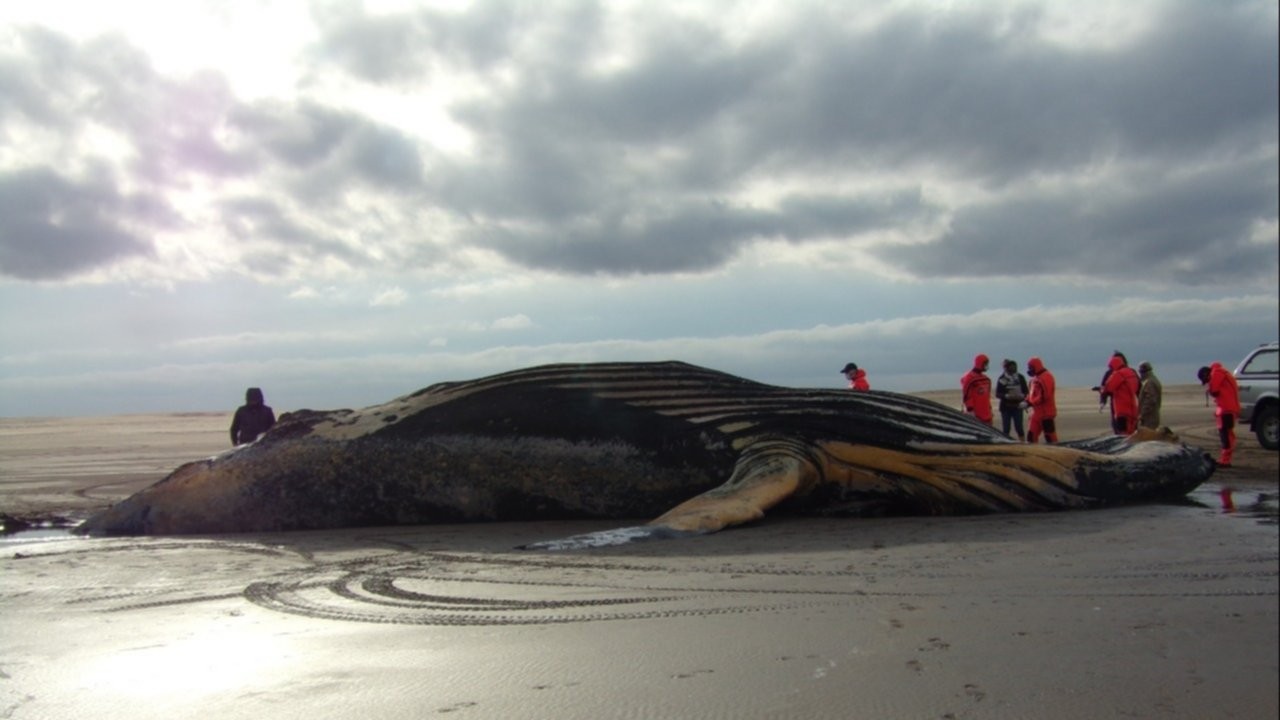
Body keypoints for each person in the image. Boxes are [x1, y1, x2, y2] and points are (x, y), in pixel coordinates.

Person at [1198, 363, 1240, 468]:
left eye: (1206, 380)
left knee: (1225, 435)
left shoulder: (1216, 373)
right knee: (1226, 434)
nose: (1207, 382)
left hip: (1226, 409)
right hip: (1228, 408)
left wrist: (1210, 389)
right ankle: (1225, 459)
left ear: (1206, 375)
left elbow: (1215, 390)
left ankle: (1225, 460)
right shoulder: (1221, 373)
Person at [1100, 354, 1140, 435]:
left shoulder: (1118, 374)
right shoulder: (1131, 372)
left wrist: (1102, 391)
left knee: (1122, 434)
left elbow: (1108, 388)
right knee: (1132, 432)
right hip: (1133, 408)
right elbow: (1139, 387)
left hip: (1121, 409)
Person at [1024, 357, 1057, 444]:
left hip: (1046, 414)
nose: (1029, 370)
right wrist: (1026, 401)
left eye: (1031, 367)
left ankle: (1055, 453)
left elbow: (1044, 396)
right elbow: (1031, 394)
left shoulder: (1046, 377)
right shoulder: (1034, 379)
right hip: (1036, 413)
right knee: (1030, 436)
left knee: (1050, 437)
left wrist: (1030, 402)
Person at [995, 358, 1029, 440]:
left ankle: (1022, 444)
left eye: (1014, 367)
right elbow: (997, 393)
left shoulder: (1020, 377)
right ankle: (1006, 445)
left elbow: (1026, 391)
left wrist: (1022, 396)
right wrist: (1006, 396)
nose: (1013, 369)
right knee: (1006, 429)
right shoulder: (1002, 379)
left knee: (1019, 427)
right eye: (1011, 367)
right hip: (1006, 407)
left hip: (1017, 406)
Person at [960, 354, 993, 425]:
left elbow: (987, 397)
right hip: (976, 416)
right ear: (980, 363)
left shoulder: (986, 379)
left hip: (987, 415)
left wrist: (990, 410)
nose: (986, 366)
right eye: (985, 364)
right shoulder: (970, 378)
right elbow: (967, 396)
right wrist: (970, 410)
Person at [1137, 361, 1163, 430]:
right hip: (1152, 416)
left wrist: (1142, 414)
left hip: (1149, 418)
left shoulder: (1149, 382)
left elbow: (1150, 400)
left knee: (1148, 437)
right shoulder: (1153, 380)